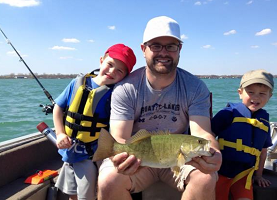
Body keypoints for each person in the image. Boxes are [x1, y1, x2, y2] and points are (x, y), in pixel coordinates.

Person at [97, 16, 222, 200]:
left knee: (206, 178)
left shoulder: (195, 87)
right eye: (155, 45)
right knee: (108, 180)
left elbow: (202, 133)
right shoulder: (126, 88)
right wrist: (121, 158)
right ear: (143, 49)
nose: (163, 52)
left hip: (178, 159)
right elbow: (120, 138)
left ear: (179, 49)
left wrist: (214, 152)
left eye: (171, 46)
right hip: (139, 159)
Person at [53, 43, 136, 200]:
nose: (112, 71)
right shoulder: (76, 83)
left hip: (93, 156)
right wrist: (59, 133)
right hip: (69, 151)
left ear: (125, 75)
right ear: (101, 60)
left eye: (119, 70)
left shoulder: (117, 95)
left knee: (89, 194)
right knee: (72, 192)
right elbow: (58, 108)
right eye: (110, 64)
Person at [211, 69, 273, 200]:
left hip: (245, 175)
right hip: (220, 171)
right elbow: (208, 136)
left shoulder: (264, 121)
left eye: (262, 93)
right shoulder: (227, 114)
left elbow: (262, 152)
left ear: (270, 96)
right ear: (240, 93)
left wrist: (259, 175)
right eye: (250, 92)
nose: (256, 97)